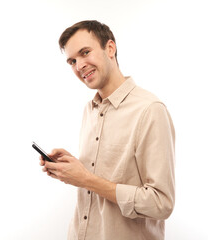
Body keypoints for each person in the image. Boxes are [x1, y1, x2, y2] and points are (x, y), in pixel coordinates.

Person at [40, 20, 175, 240]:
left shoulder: (150, 110)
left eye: (85, 53)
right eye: (72, 61)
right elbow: (100, 175)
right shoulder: (89, 109)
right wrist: (72, 169)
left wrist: (86, 179)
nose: (79, 65)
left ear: (110, 48)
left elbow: (161, 203)